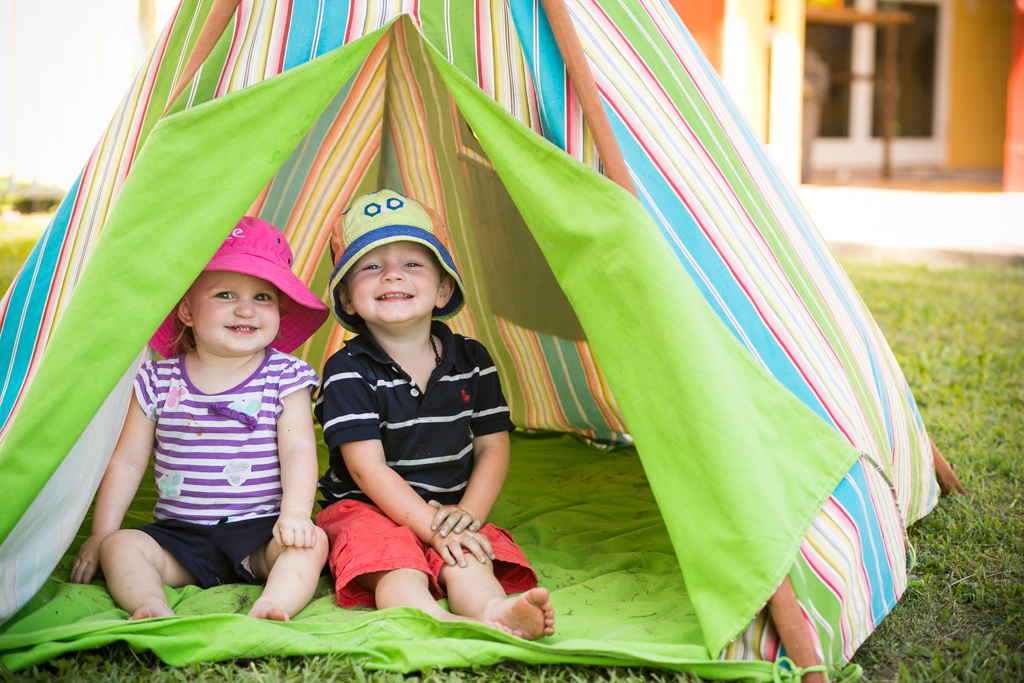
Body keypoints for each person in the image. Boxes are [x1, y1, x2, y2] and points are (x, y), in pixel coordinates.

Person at [315, 190, 555, 640]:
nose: (391, 275)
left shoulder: (472, 358)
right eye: (370, 266)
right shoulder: (346, 370)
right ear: (346, 297)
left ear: (443, 287)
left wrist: (466, 517)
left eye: (412, 264)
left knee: (470, 556)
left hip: (446, 508)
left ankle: (492, 611)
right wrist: (428, 530)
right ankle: (431, 617)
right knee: (391, 559)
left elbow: (492, 446)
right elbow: (366, 471)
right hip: (365, 508)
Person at [70, 217, 330, 622]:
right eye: (225, 294)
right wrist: (103, 532)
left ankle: (273, 603)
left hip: (259, 533)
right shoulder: (158, 378)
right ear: (187, 310)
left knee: (311, 544)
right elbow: (127, 460)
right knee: (120, 546)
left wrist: (295, 514)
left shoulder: (285, 375)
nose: (246, 308)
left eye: (263, 297)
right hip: (180, 538)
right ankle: (150, 603)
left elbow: (298, 448)